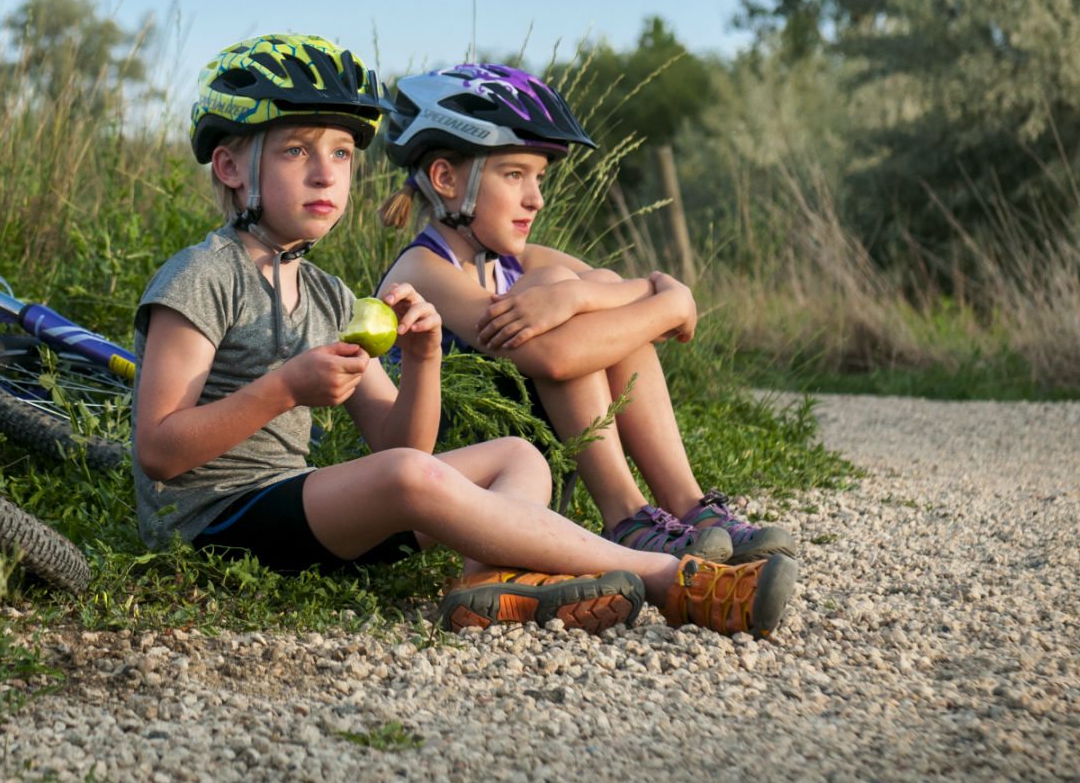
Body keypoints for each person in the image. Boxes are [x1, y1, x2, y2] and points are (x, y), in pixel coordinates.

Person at [131, 35, 797, 637]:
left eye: (340, 153)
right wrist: (285, 387)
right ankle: (664, 577)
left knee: (518, 459)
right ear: (229, 167)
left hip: (300, 508)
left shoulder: (332, 296)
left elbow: (401, 442)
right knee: (405, 477)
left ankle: (487, 579)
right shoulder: (202, 276)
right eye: (296, 150)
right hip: (209, 520)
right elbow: (160, 450)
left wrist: (423, 360)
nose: (326, 171)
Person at [376, 63, 798, 565]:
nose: (536, 199)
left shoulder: (516, 262)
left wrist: (591, 298)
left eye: (539, 178)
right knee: (567, 299)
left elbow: (620, 294)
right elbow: (554, 358)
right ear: (445, 178)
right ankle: (624, 517)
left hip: (531, 464)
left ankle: (688, 504)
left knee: (591, 303)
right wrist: (662, 301)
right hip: (464, 483)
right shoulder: (424, 270)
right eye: (514, 175)